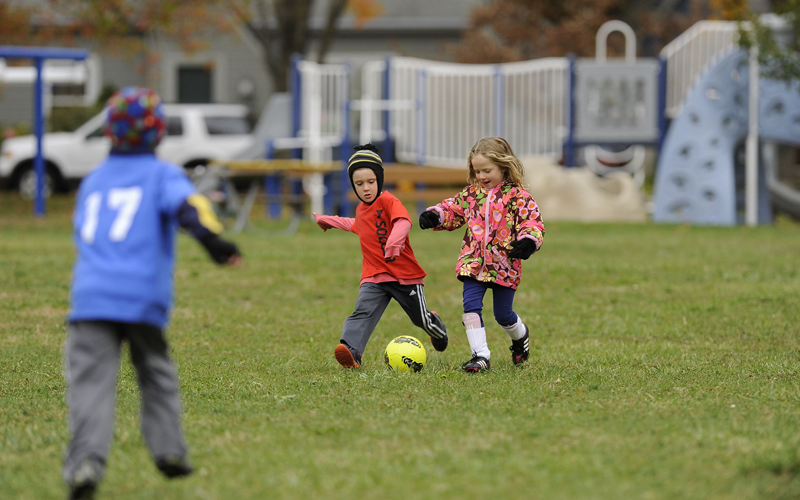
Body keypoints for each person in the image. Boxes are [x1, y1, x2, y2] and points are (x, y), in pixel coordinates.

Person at [63, 86, 242, 500]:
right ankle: (169, 452)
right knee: (155, 374)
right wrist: (216, 243)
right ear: (158, 133)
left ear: (109, 132)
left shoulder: (93, 181)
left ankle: (86, 463)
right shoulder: (163, 175)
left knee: (91, 384)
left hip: (91, 298)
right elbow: (190, 209)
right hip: (141, 296)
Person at [313, 144, 448, 369]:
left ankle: (436, 326)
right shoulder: (360, 209)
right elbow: (356, 225)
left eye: (370, 182)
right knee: (362, 311)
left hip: (404, 276)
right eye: (359, 184)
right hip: (375, 275)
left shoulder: (388, 201)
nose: (366, 188)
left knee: (419, 319)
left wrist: (395, 242)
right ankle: (351, 350)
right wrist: (329, 220)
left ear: (379, 180)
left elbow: (403, 221)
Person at [418, 137, 544, 373]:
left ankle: (520, 336)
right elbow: (452, 210)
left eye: (487, 170)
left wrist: (528, 241)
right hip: (472, 262)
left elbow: (532, 222)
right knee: (470, 308)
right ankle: (480, 356)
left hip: (505, 264)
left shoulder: (518, 196)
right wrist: (435, 215)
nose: (482, 176)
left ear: (503, 166)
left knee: (503, 315)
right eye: (477, 171)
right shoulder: (471, 195)